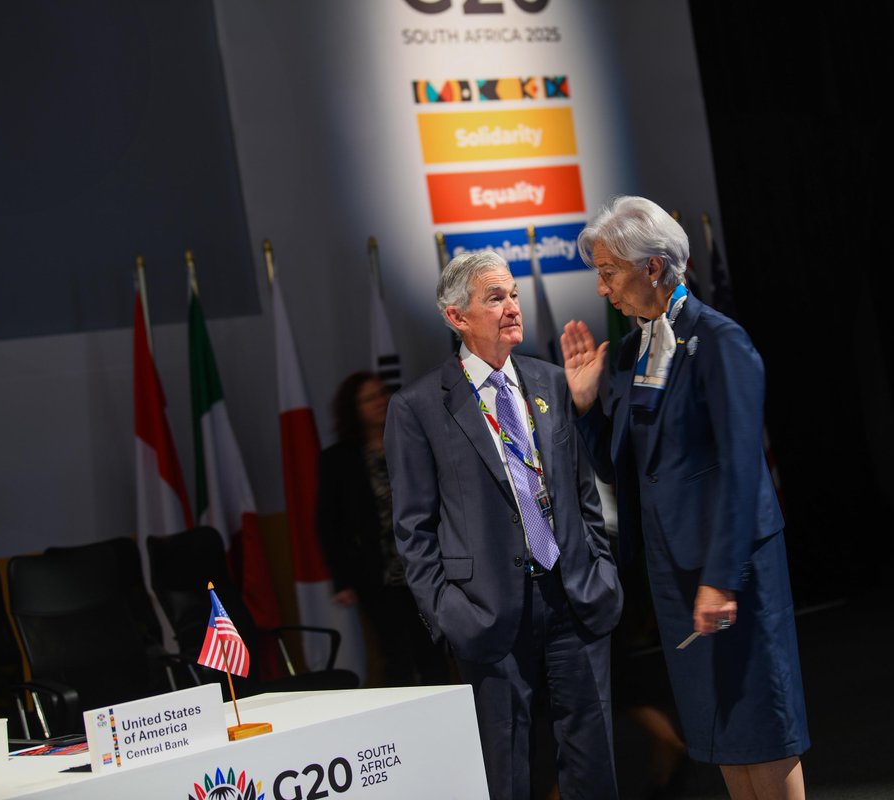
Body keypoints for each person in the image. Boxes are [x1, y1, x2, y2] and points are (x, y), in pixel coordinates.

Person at [560, 195, 809, 800]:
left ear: (652, 267)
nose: (602, 290)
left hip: (733, 566)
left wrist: (721, 577)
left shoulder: (720, 340)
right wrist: (587, 409)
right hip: (674, 573)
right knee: (717, 727)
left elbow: (742, 471)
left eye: (610, 273)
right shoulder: (627, 353)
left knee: (760, 721)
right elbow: (621, 468)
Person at [384, 251, 623, 800]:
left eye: (513, 294)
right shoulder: (418, 406)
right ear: (456, 318)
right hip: (487, 614)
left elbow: (582, 492)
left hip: (574, 598)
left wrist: (600, 567)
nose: (512, 307)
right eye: (495, 298)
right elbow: (413, 529)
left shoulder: (553, 381)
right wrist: (448, 613)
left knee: (594, 767)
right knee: (506, 774)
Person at [315, 371, 448, 687]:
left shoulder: (413, 439)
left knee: (434, 649)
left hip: (425, 566)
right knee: (395, 654)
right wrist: (342, 580)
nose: (379, 402)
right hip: (377, 573)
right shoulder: (338, 459)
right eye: (369, 398)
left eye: (382, 394)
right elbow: (329, 523)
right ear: (353, 408)